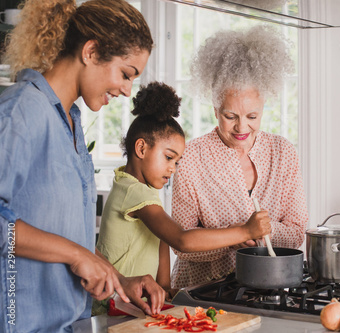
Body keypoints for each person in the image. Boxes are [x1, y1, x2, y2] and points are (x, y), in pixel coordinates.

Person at [0, 1, 164, 332]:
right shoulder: (21, 111)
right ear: (90, 52)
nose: (126, 89)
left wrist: (119, 281)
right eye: (125, 73)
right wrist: (78, 255)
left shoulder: (72, 123)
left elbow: (65, 234)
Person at [96, 82, 271, 298]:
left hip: (134, 300)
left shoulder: (139, 188)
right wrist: (245, 231)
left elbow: (161, 238)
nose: (173, 168)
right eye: (169, 157)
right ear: (141, 148)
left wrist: (164, 284)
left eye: (177, 162)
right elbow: (181, 240)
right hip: (114, 302)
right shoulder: (133, 191)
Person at [170, 25, 309, 288]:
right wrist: (236, 236)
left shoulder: (283, 152)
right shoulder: (190, 157)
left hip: (268, 286)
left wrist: (262, 231)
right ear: (214, 109)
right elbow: (182, 245)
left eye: (252, 117)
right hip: (202, 291)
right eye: (230, 116)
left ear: (263, 107)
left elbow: (296, 233)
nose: (242, 127)